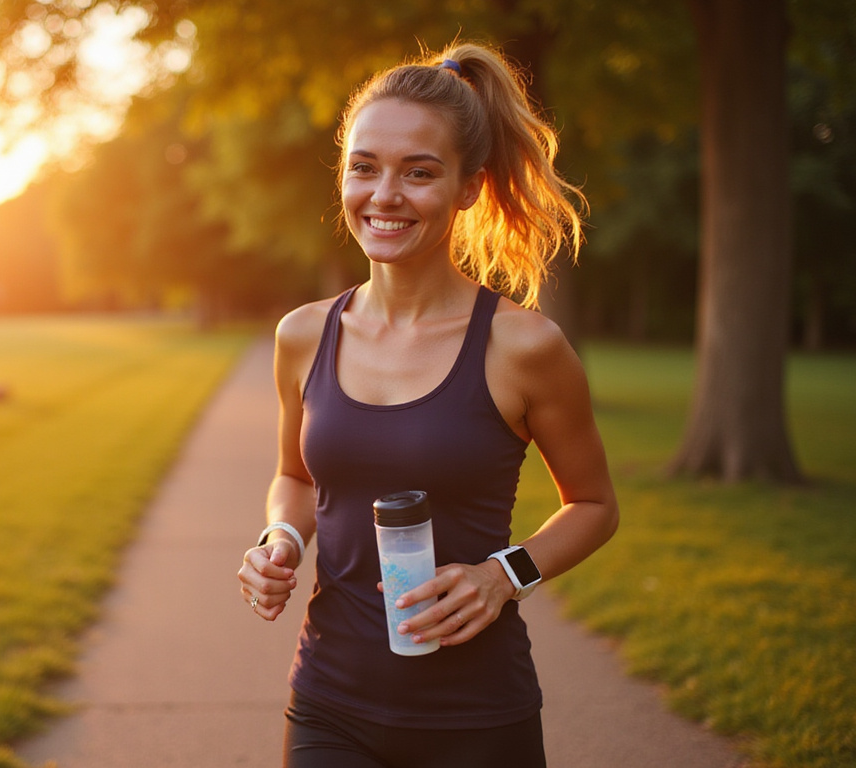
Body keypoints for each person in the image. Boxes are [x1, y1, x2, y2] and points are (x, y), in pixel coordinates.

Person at [236, 41, 619, 768]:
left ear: (469, 187)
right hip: (329, 702)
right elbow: (296, 479)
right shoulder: (303, 335)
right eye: (364, 167)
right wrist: (279, 540)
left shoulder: (524, 347)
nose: (384, 195)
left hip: (477, 715)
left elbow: (595, 506)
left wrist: (505, 575)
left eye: (419, 172)